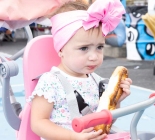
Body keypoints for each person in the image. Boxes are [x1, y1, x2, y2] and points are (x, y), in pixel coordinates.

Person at [29, 0, 132, 140]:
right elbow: (38, 123)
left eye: (99, 47)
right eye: (84, 48)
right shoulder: (50, 82)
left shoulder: (96, 80)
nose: (94, 56)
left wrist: (116, 101)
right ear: (61, 49)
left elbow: (105, 122)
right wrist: (73, 137)